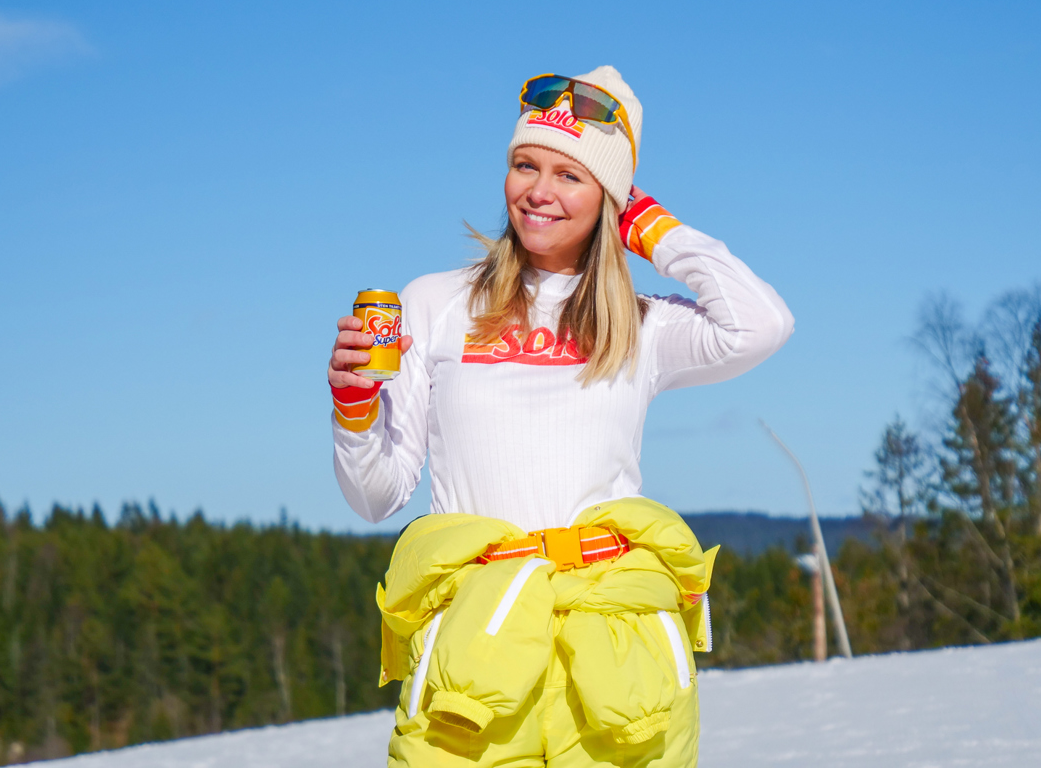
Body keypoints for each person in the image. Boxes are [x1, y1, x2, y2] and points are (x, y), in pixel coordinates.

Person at [328, 66, 792, 767]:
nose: (538, 191)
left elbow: (762, 324)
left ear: (610, 196)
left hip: (614, 653)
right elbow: (375, 494)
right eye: (524, 165)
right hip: (475, 657)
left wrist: (655, 229)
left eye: (570, 175)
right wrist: (355, 407)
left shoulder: (641, 324)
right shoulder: (434, 304)